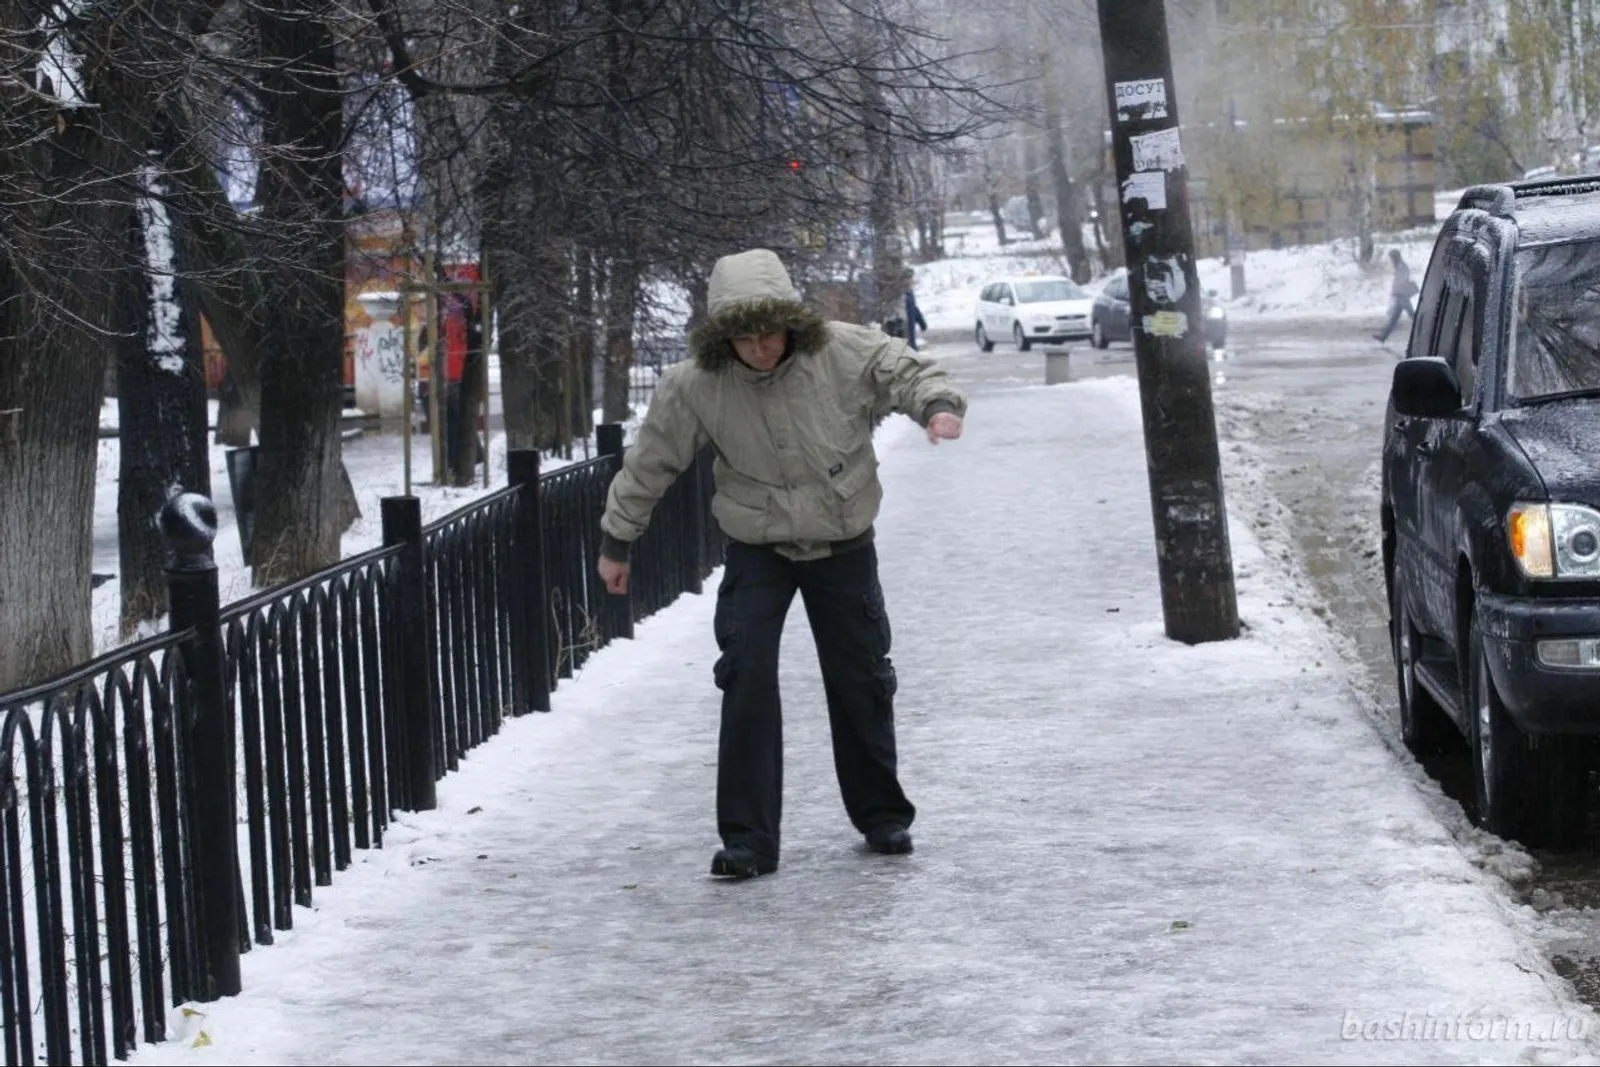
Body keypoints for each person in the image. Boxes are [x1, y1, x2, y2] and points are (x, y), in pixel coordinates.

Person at [595, 247, 967, 880]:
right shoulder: (696, 383)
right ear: (723, 339)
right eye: (744, 338)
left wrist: (937, 407)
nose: (759, 348)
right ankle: (748, 840)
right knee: (744, 675)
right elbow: (651, 462)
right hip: (758, 548)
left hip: (842, 542)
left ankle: (882, 814)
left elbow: (908, 371)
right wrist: (617, 541)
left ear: (792, 323)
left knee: (861, 678)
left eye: (769, 333)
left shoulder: (843, 350)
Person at [1374, 248, 1417, 343]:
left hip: (1402, 295)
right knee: (1394, 318)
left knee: (1412, 315)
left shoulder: (1402, 267)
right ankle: (1383, 337)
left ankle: (1425, 330)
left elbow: (1402, 280)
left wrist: (1396, 290)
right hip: (1400, 295)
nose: (1391, 260)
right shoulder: (1399, 266)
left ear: (1395, 257)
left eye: (1392, 258)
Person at [902, 269, 930, 350]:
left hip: (910, 336)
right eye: (908, 278)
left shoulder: (910, 293)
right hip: (903, 333)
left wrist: (921, 321)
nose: (910, 280)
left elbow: (913, 308)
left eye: (911, 278)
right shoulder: (900, 295)